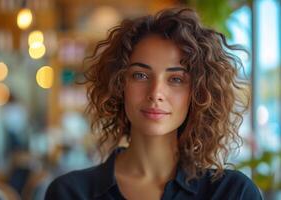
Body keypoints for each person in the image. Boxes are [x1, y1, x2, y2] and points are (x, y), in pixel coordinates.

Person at [45, 7, 263, 200]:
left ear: (198, 93)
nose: (156, 93)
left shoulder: (232, 193)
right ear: (119, 84)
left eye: (176, 79)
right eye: (140, 75)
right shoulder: (70, 192)